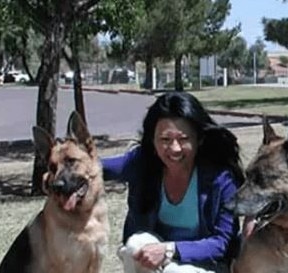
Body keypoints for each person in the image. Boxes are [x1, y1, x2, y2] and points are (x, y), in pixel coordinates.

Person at [102, 91, 244, 273]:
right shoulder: (142, 163)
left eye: (184, 139)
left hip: (207, 266)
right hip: (160, 264)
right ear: (152, 140)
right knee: (136, 245)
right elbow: (94, 167)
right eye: (165, 140)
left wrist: (170, 249)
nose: (174, 149)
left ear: (199, 139)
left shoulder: (220, 178)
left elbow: (223, 243)